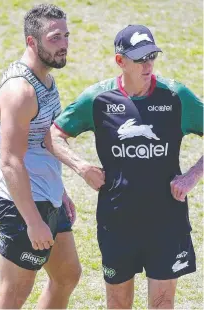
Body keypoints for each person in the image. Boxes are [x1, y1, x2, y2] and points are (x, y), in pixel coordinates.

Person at [46, 24, 203, 309]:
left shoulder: (176, 96)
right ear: (121, 61)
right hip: (117, 220)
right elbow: (54, 135)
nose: (148, 64)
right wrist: (82, 167)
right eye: (140, 58)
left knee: (162, 303)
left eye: (152, 56)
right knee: (118, 303)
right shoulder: (98, 99)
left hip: (167, 221)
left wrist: (193, 175)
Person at [0, 4, 81, 309]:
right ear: (32, 41)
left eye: (66, 35)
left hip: (47, 196)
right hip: (22, 204)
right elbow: (10, 161)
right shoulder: (20, 91)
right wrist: (32, 221)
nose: (64, 43)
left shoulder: (46, 79)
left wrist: (61, 191)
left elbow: (43, 144)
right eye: (55, 37)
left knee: (67, 275)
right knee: (15, 292)